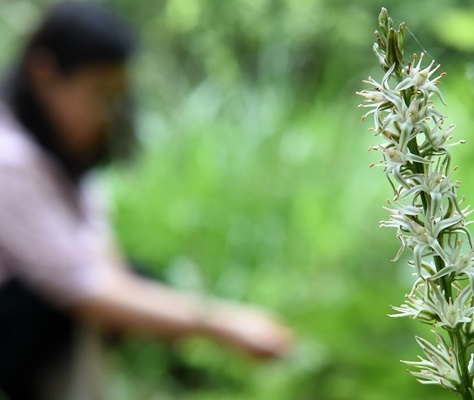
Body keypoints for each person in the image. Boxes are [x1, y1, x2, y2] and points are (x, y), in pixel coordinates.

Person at [0, 3, 291, 399]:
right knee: (67, 309)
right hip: (22, 320)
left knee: (137, 281)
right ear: (45, 72)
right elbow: (83, 289)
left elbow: (99, 252)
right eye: (99, 95)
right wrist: (224, 324)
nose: (110, 115)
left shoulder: (57, 147)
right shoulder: (10, 158)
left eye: (116, 98)